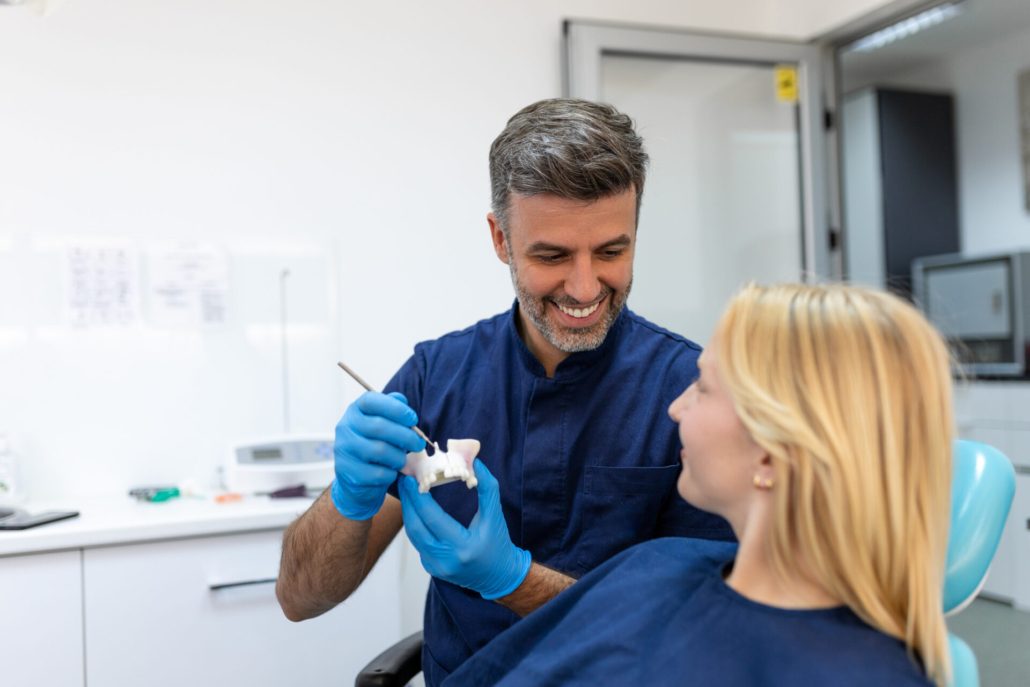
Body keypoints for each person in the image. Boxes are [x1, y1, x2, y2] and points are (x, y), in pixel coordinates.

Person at [275, 98, 733, 685]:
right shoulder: (434, 377)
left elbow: (703, 634)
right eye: (552, 255)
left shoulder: (690, 394)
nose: (586, 285)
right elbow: (301, 599)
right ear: (500, 238)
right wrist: (348, 499)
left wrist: (512, 580)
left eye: (612, 251)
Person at [438, 282, 953, 687]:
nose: (675, 407)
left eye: (703, 387)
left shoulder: (854, 674)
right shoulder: (655, 563)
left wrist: (509, 577)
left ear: (773, 452)